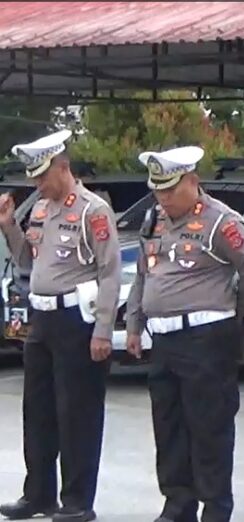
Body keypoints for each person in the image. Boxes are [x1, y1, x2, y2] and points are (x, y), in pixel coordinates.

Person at [123, 146, 244, 522]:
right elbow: (144, 272)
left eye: (170, 190)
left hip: (206, 338)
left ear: (192, 181)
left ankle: (215, 508)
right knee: (169, 427)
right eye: (157, 191)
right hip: (165, 340)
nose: (163, 199)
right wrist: (135, 323)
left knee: (209, 429)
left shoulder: (221, 221)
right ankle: (178, 504)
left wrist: (232, 312)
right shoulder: (154, 219)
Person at [0, 130, 120, 522]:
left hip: (76, 319)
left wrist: (104, 328)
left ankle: (77, 502)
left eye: (42, 176)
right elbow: (27, 259)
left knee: (77, 414)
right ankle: (38, 495)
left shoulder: (92, 210)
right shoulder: (40, 208)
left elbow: (110, 272)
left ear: (63, 168)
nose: (37, 184)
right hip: (42, 319)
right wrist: (8, 226)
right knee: (38, 411)